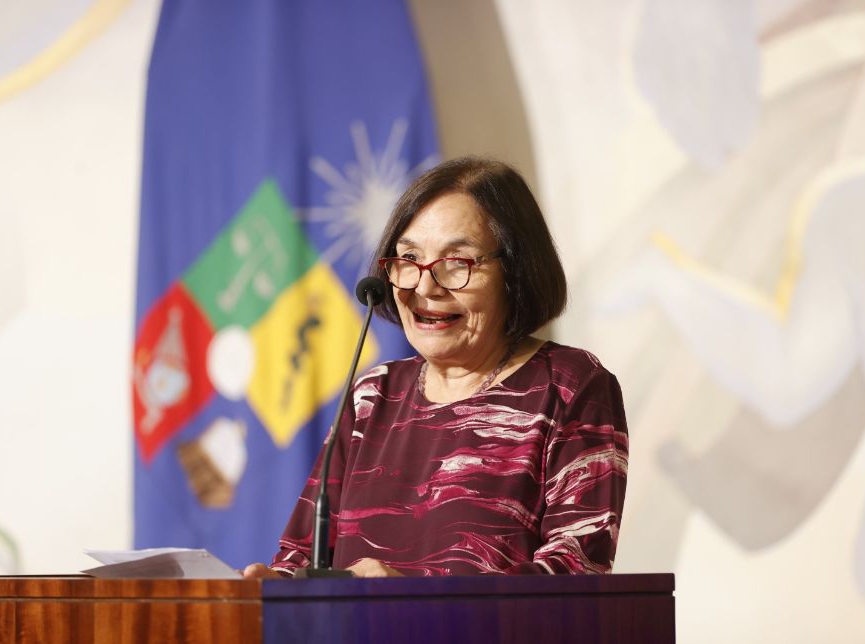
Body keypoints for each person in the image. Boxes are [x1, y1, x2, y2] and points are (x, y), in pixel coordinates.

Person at [244, 156, 628, 578]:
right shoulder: (373, 395)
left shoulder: (569, 387)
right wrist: (272, 586)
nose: (425, 287)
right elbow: (302, 558)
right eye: (408, 258)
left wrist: (413, 598)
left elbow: (576, 573)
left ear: (516, 271)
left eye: (457, 262)